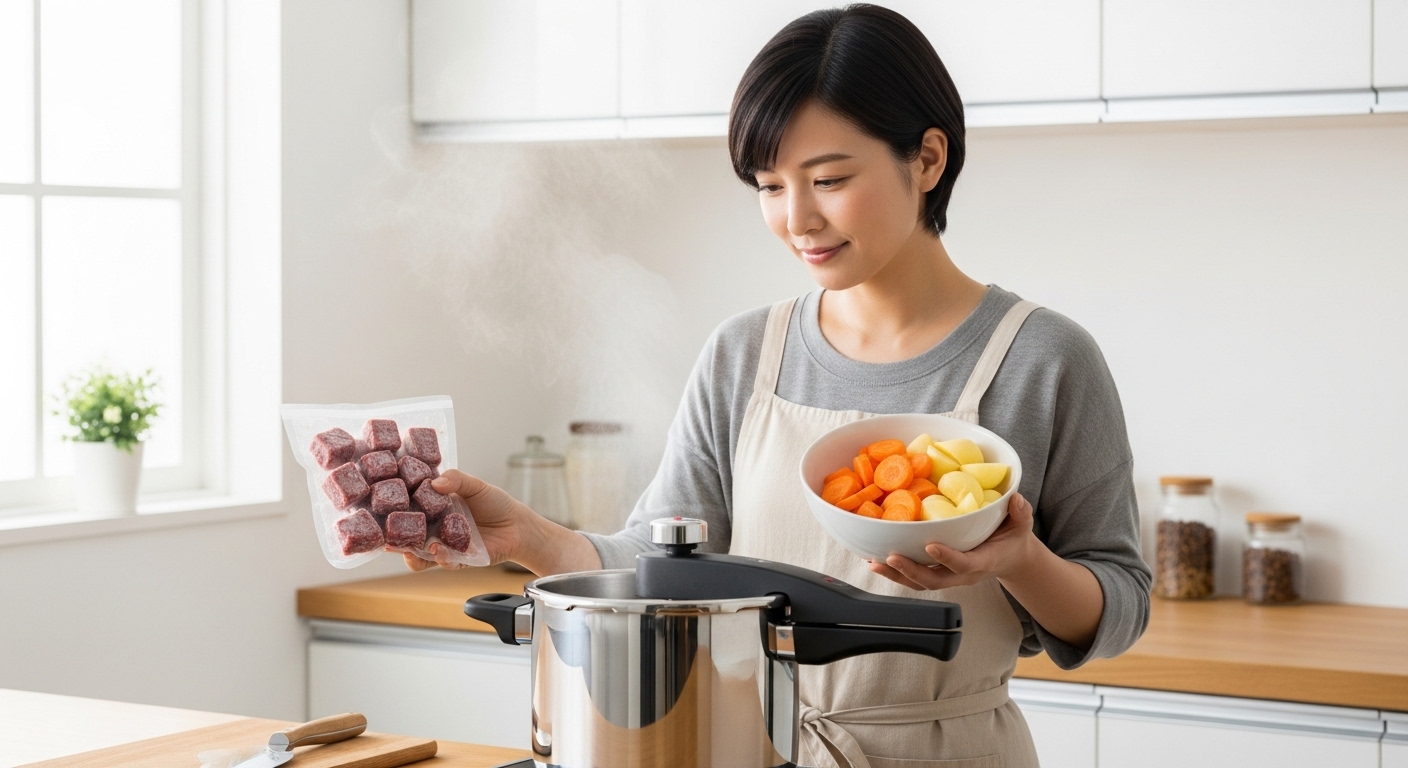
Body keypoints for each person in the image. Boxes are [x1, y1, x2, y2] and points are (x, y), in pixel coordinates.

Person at [408, 5, 1150, 766]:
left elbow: (1120, 605)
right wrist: (531, 540)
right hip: (757, 748)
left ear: (927, 159)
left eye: (829, 179)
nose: (798, 219)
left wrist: (1019, 558)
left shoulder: (1044, 359)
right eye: (768, 187)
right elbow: (663, 568)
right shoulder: (743, 353)